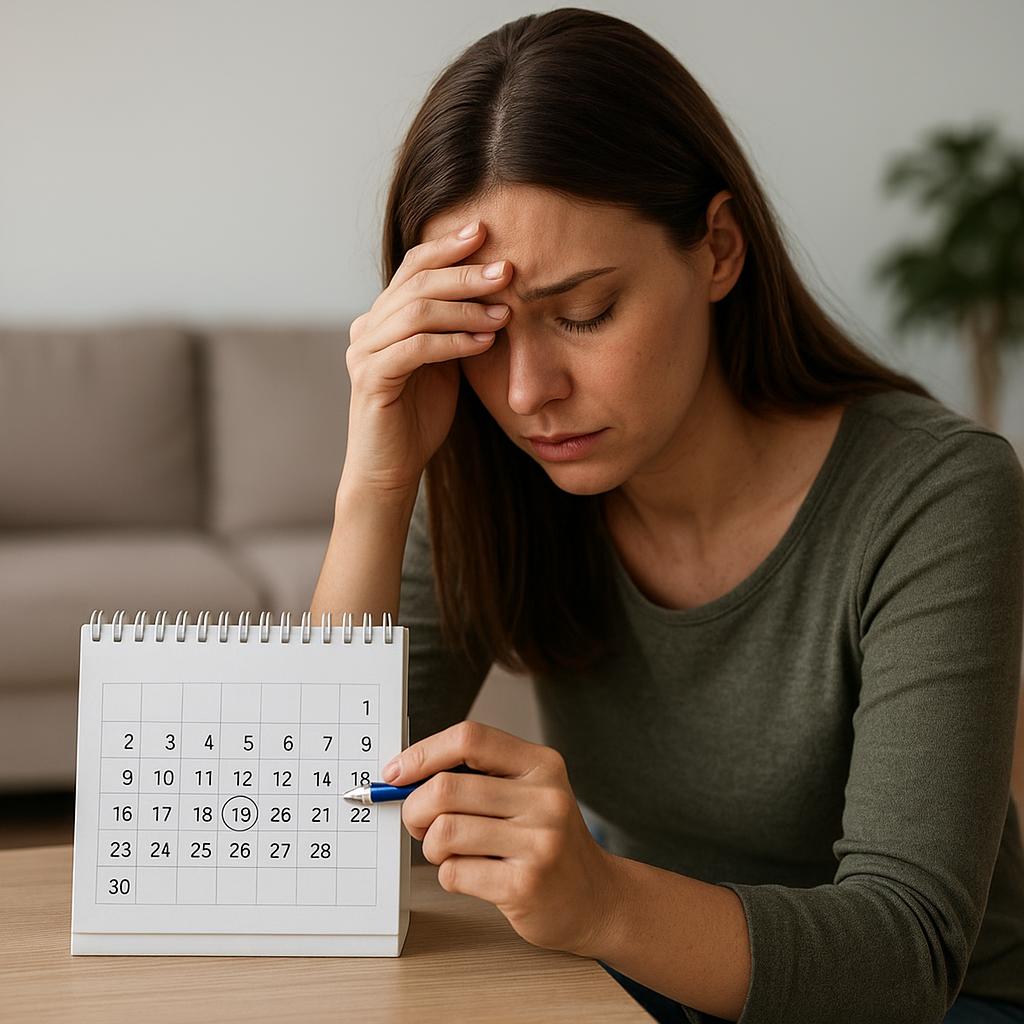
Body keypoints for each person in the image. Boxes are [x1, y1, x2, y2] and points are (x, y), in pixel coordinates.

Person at [310, 9, 1024, 1023]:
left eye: (584, 313)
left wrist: (597, 896)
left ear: (718, 249)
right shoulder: (497, 477)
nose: (525, 393)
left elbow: (907, 955)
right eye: (482, 333)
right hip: (634, 981)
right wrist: (373, 483)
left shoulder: (934, 491)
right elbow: (327, 816)